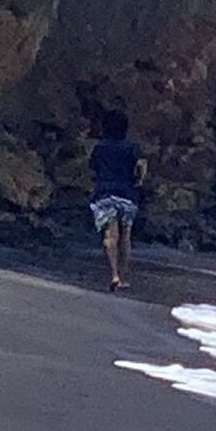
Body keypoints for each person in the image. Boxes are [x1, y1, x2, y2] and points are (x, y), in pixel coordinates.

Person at [87, 108, 144, 293]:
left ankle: (114, 275)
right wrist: (139, 181)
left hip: (104, 193)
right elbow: (142, 165)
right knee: (125, 235)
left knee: (110, 235)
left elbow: (92, 167)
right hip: (127, 194)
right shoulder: (132, 147)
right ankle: (123, 275)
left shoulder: (100, 147)